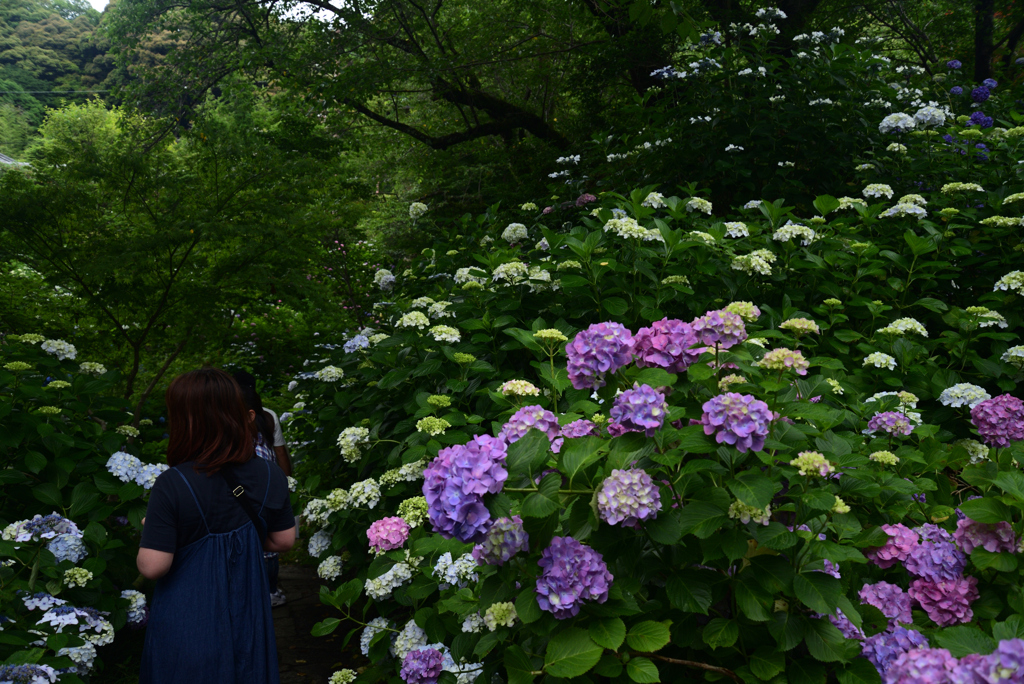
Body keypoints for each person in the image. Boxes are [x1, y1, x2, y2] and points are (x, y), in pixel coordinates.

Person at [137, 368, 295, 684]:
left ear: (185, 420)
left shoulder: (172, 483)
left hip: (188, 620)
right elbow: (284, 541)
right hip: (248, 617)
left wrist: (153, 529)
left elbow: (153, 566)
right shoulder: (270, 474)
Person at [233, 370, 291, 607]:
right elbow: (279, 451)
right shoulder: (269, 416)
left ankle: (251, 590)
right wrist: (285, 482)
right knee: (270, 539)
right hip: (268, 481)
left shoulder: (229, 415)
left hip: (241, 483)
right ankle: (270, 591)